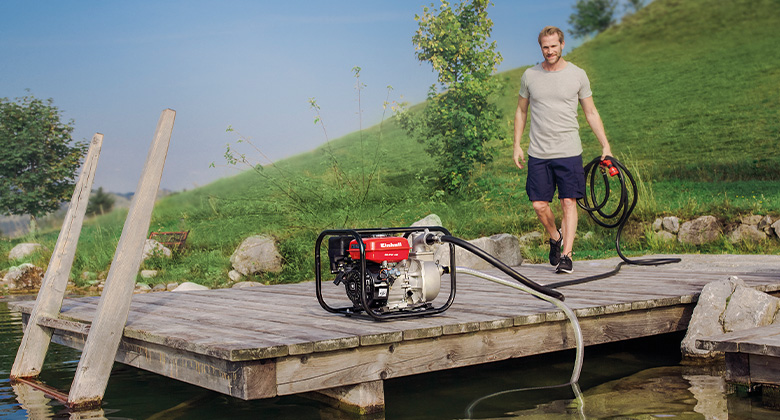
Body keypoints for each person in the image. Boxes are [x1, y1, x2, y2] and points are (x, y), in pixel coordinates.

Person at [513, 26, 612, 274]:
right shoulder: (530, 76)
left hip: (568, 151)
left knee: (569, 202)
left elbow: (590, 112)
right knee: (538, 204)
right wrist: (516, 145)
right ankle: (555, 236)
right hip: (539, 153)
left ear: (562, 45)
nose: (550, 51)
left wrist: (605, 144)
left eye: (553, 46)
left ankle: (566, 255)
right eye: (545, 47)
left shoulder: (577, 75)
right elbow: (521, 111)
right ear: (541, 48)